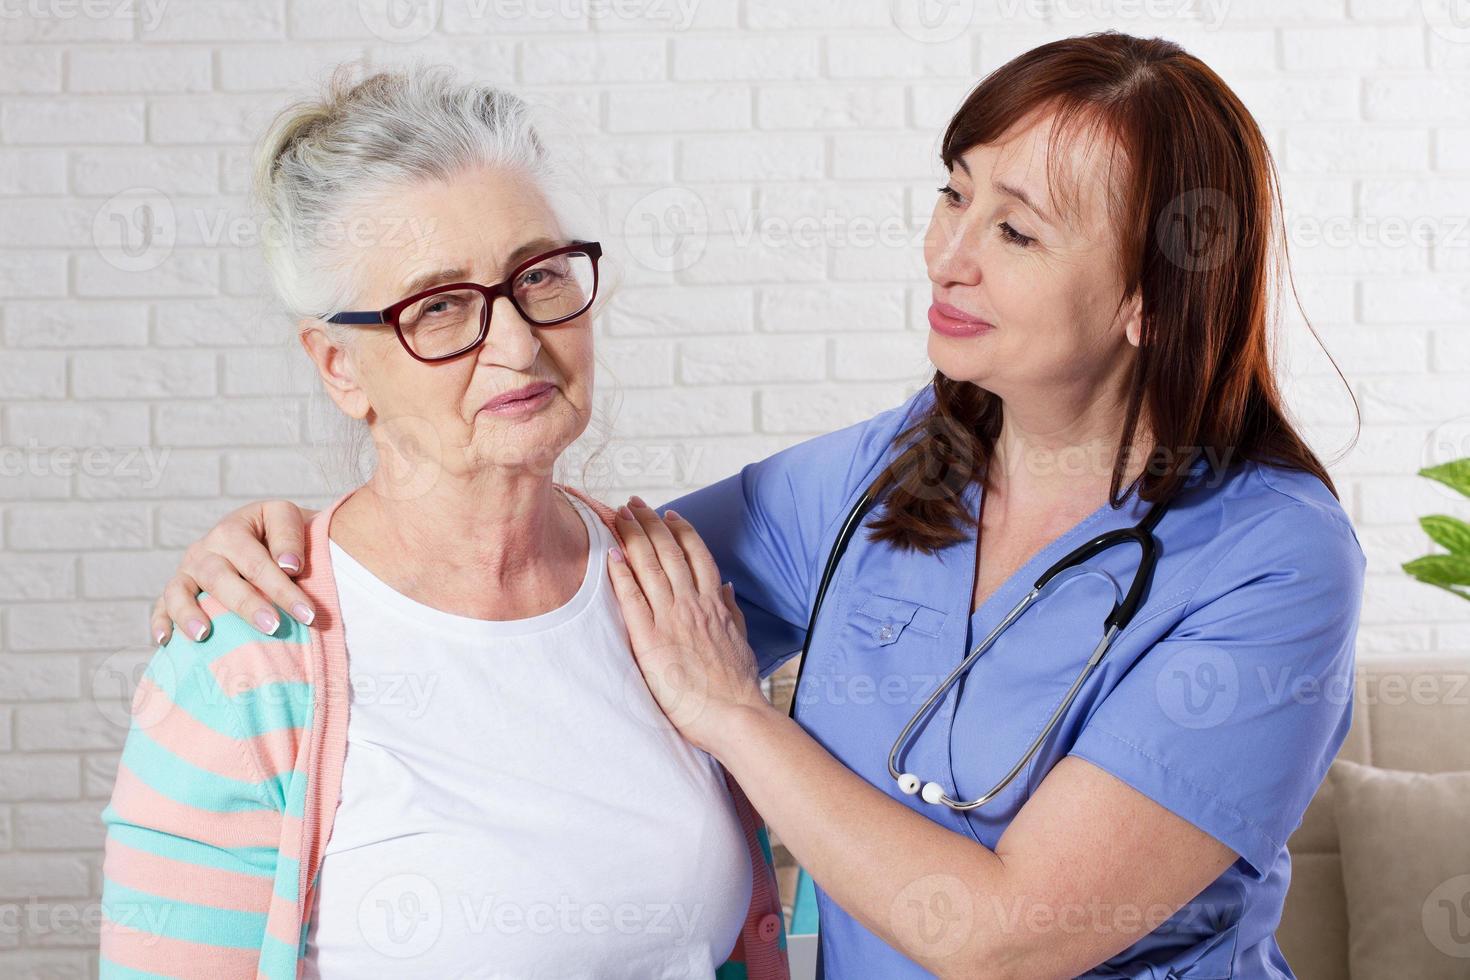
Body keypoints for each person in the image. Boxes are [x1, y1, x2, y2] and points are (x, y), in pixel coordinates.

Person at [147, 34, 1366, 978]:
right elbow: (555, 575)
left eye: (1018, 229)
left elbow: (1004, 940)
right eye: (954, 194)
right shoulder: (897, 467)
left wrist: (736, 712)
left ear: (1152, 295)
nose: (949, 254)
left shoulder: (1271, 557)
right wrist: (289, 554)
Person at [99, 66, 788, 979]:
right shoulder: (242, 661)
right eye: (440, 306)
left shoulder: (670, 588)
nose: (517, 342)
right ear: (340, 366)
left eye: (537, 276)